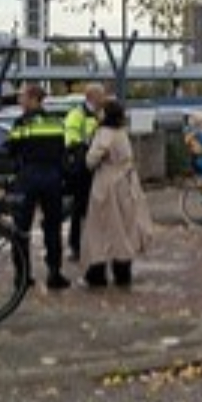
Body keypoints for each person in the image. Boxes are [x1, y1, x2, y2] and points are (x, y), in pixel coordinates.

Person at [8, 85, 72, 290]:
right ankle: (54, 273)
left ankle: (22, 276)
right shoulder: (56, 122)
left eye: (23, 97)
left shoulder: (21, 123)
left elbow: (11, 149)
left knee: (21, 228)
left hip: (28, 178)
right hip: (52, 179)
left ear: (34, 98)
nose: (20, 101)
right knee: (53, 227)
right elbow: (62, 151)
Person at [80, 99, 148, 288]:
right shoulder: (122, 133)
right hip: (127, 182)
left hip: (107, 183)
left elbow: (91, 160)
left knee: (100, 228)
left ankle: (97, 271)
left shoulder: (104, 133)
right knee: (124, 226)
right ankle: (123, 270)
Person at [63, 83, 106, 261]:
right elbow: (71, 140)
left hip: (97, 167)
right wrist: (87, 151)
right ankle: (75, 246)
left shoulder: (100, 114)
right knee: (79, 208)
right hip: (82, 169)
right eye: (100, 96)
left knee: (96, 208)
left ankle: (94, 245)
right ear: (91, 97)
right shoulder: (77, 114)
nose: (103, 99)